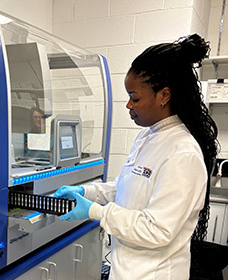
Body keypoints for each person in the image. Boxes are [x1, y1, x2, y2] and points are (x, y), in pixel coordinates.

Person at [54, 34, 219, 280]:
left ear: (164, 96)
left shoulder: (182, 153)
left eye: (135, 98)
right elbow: (127, 189)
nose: (129, 106)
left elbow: (157, 229)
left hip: (155, 274)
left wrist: (96, 212)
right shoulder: (147, 137)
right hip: (127, 269)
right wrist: (88, 193)